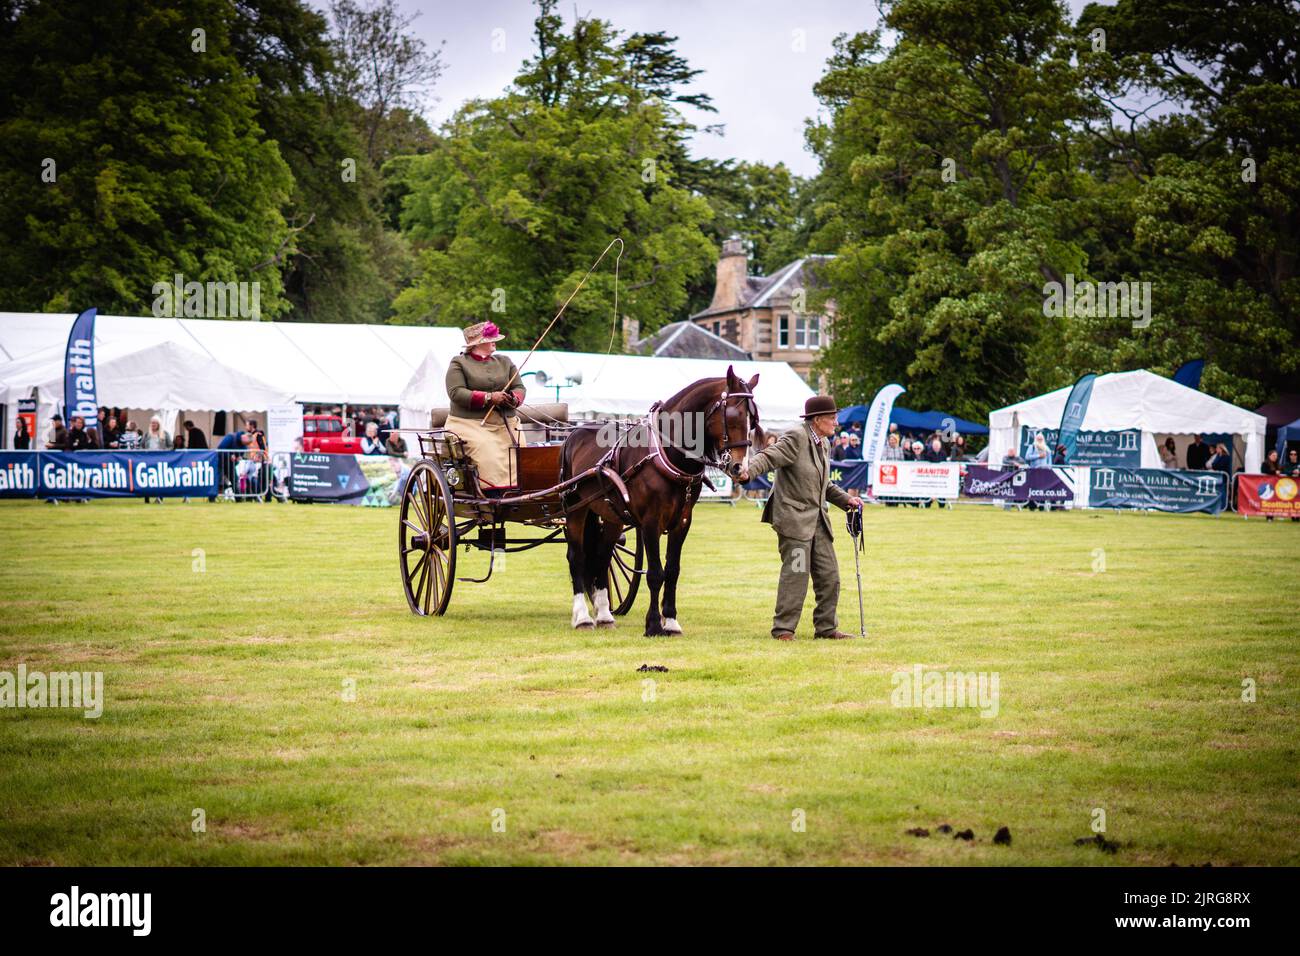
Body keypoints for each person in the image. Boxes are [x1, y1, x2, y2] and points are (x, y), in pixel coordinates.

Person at [737, 395, 863, 641]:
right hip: (793, 520)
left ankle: (826, 629)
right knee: (796, 575)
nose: (836, 422)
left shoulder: (824, 443)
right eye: (832, 418)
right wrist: (747, 471)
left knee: (830, 577)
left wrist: (847, 499)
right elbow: (768, 456)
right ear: (817, 420)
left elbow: (823, 485)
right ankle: (783, 629)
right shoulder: (796, 436)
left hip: (818, 521)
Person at [444, 320, 527, 490]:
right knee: (487, 451)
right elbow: (456, 392)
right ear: (478, 344)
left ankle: (522, 489)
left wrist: (513, 399)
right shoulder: (459, 363)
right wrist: (488, 397)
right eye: (491, 339)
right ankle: (492, 493)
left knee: (521, 450)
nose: (495, 342)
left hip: (506, 423)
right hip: (469, 424)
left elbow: (519, 387)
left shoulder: (505, 361)